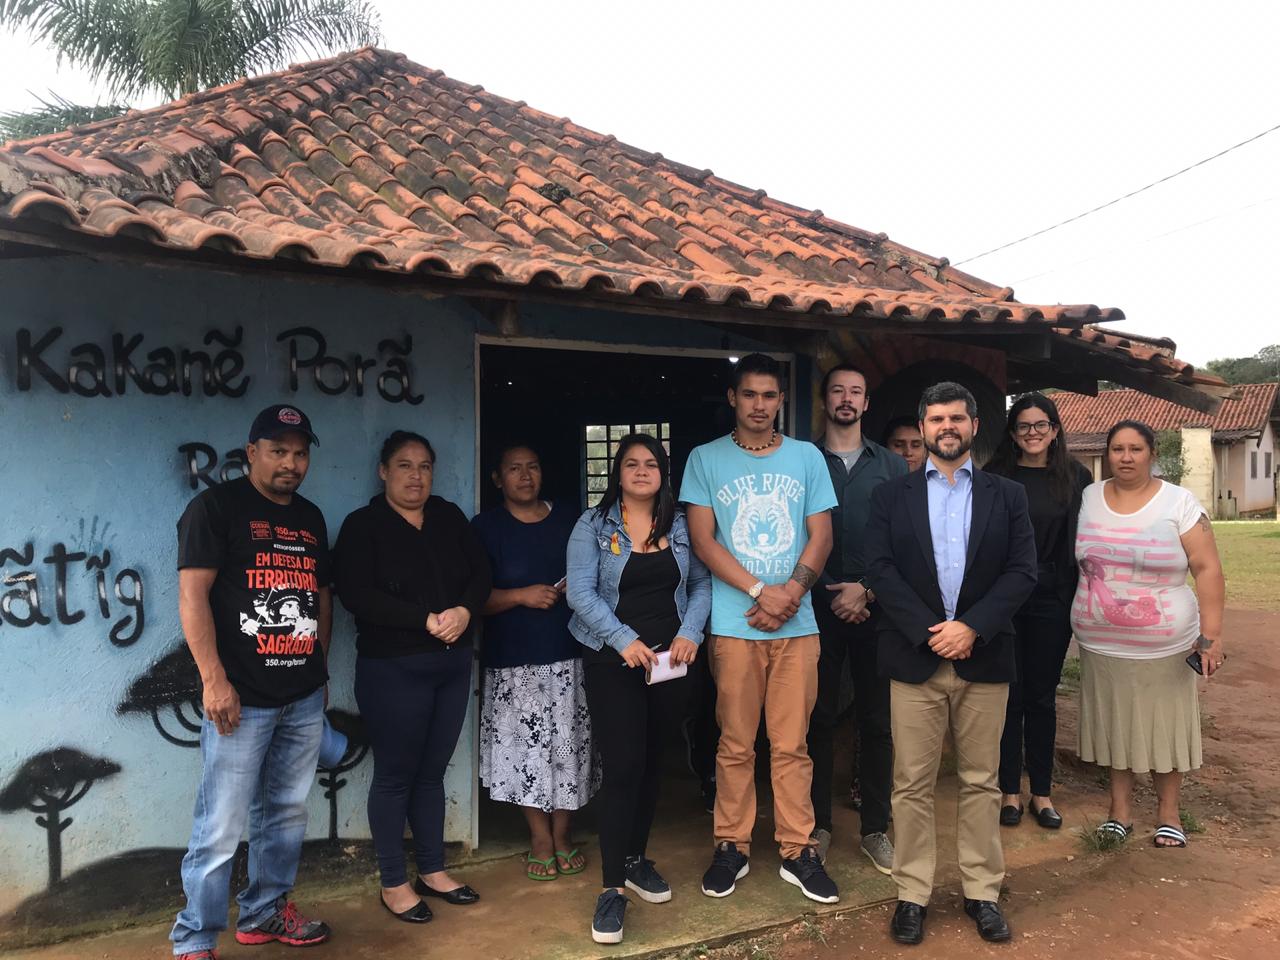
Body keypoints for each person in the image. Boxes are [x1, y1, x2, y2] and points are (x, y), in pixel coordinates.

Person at [865, 381, 1036, 946]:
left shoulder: (1007, 495)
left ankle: (982, 891)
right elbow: (881, 570)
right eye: (936, 417)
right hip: (915, 658)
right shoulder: (893, 496)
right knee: (910, 784)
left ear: (974, 426)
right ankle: (911, 894)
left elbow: (1022, 572)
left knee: (982, 782)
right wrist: (931, 632)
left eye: (956, 418)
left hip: (984, 657)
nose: (946, 427)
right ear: (924, 426)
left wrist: (972, 628)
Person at [171, 404, 333, 959]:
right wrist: (213, 681)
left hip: (303, 695)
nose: (291, 462)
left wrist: (321, 670)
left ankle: (264, 914)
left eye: (300, 452)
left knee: (286, 814)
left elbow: (320, 598)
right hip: (240, 700)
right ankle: (194, 937)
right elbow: (193, 597)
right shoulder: (214, 508)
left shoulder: (310, 518)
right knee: (220, 825)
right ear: (252, 453)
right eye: (279, 451)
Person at [679, 352, 840, 905]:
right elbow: (704, 541)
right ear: (733, 398)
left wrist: (791, 592)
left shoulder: (807, 458)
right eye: (750, 394)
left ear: (780, 401)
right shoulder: (705, 459)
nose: (760, 405)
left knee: (793, 744)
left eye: (770, 395)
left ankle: (797, 849)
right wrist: (759, 592)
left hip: (798, 626)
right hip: (734, 625)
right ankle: (732, 846)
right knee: (735, 744)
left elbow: (821, 535)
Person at [333, 431, 492, 923]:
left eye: (424, 466)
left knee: (432, 771)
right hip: (392, 668)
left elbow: (481, 572)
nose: (415, 476)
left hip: (451, 665)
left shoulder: (447, 517)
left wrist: (466, 610)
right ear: (383, 471)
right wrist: (423, 619)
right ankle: (393, 882)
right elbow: (355, 593)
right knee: (395, 775)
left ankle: (432, 869)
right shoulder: (363, 526)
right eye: (404, 465)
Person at [566, 433, 712, 944]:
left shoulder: (679, 523)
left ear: (662, 472)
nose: (642, 471)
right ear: (617, 472)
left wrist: (691, 633)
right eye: (632, 463)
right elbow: (580, 592)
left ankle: (633, 860)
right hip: (613, 660)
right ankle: (611, 890)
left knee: (653, 761)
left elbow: (700, 584)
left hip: (670, 662)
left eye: (651, 463)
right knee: (624, 767)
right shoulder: (593, 524)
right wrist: (623, 640)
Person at [1072, 420, 1225, 849]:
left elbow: (1208, 568)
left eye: (1135, 449)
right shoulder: (1088, 497)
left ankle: (1169, 815)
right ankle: (1118, 813)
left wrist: (1211, 636)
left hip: (1167, 646)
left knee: (1164, 729)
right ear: (1107, 453)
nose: (1125, 457)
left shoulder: (1179, 502)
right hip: (1100, 644)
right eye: (1117, 449)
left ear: (1151, 453)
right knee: (1116, 727)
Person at [472, 444, 595, 882]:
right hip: (513, 662)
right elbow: (471, 598)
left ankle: (563, 835)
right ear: (497, 479)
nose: (525, 476)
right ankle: (539, 838)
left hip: (569, 654)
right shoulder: (485, 527)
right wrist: (521, 595)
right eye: (513, 468)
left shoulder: (570, 519)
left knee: (568, 750)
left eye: (533, 466)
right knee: (525, 755)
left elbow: (597, 575)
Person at [808, 364, 907, 873]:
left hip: (875, 609)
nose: (847, 399)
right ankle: (818, 825)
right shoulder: (801, 460)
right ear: (824, 399)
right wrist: (827, 591)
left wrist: (865, 589)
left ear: (867, 403)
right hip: (813, 608)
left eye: (856, 392)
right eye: (838, 391)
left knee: (877, 720)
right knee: (816, 718)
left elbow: (905, 544)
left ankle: (875, 828)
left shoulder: (891, 466)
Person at [986, 393, 1093, 830]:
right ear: (1012, 433)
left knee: (1042, 698)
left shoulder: (1075, 476)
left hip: (1052, 596)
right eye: (1024, 426)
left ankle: (1042, 793)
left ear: (1054, 429)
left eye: (1041, 425)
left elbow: (1087, 541)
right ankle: (1009, 790)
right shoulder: (995, 476)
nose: (1033, 433)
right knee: (1008, 696)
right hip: (1005, 597)